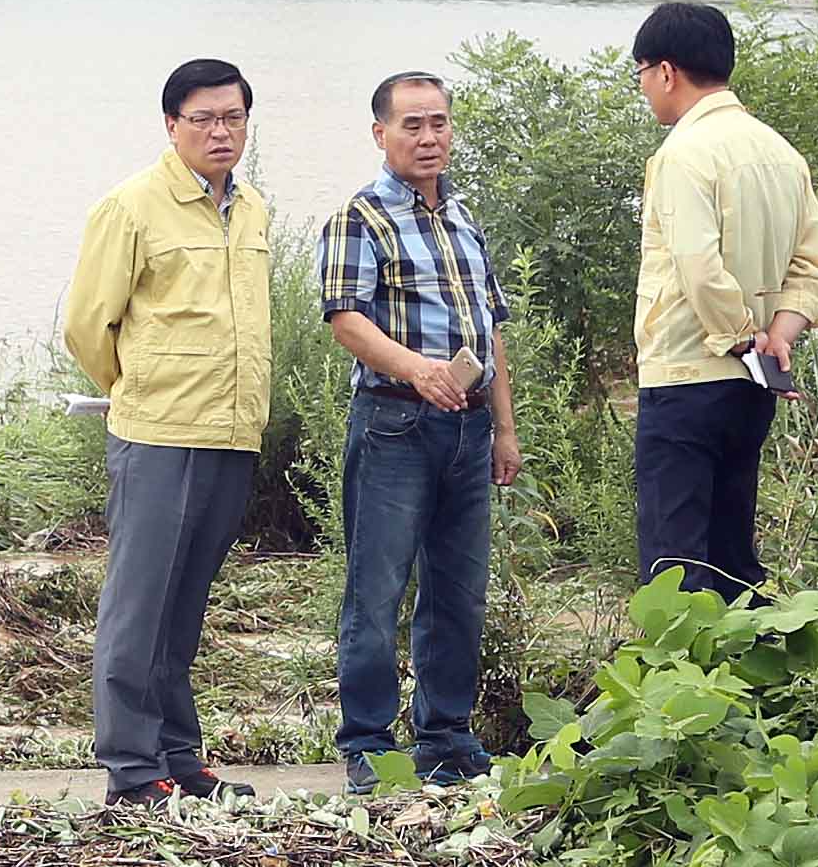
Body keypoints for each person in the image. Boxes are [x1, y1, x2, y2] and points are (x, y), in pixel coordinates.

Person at [59, 56, 275, 804]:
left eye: (234, 117)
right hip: (157, 435)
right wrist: (138, 391)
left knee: (184, 608)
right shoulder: (131, 207)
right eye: (204, 119)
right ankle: (130, 769)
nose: (221, 132)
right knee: (137, 607)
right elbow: (88, 326)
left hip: (230, 434)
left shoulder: (250, 209)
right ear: (171, 126)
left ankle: (181, 760)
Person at [314, 69, 521, 789]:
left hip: (468, 431)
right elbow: (347, 320)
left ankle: (445, 737)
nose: (428, 138)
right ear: (380, 134)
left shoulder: (464, 220)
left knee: (458, 591)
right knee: (377, 591)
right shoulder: (360, 218)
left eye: (438, 123)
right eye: (412, 125)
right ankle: (368, 743)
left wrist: (504, 428)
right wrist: (418, 370)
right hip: (395, 424)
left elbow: (491, 331)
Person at [622, 0, 818, 599]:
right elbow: (814, 268)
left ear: (666, 71)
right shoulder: (781, 152)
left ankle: (677, 683)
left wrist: (743, 337)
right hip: (753, 383)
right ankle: (744, 679)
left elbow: (698, 265)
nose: (643, 90)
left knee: (674, 558)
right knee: (732, 547)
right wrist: (778, 337)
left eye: (640, 75)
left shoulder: (685, 154)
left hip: (687, 375)